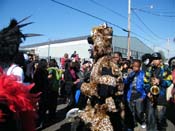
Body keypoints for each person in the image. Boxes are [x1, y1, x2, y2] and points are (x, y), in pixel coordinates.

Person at [144, 52, 172, 131]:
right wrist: (147, 92)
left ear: (160, 60)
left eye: (156, 59)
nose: (154, 61)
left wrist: (160, 81)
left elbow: (169, 81)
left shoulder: (166, 68)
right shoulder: (149, 69)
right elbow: (145, 82)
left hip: (161, 97)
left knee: (160, 117)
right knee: (150, 117)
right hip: (151, 97)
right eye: (153, 59)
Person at [124, 59, 146, 130]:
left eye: (136, 66)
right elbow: (125, 83)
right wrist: (129, 77)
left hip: (139, 95)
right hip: (130, 95)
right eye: (134, 66)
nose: (135, 68)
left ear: (139, 67)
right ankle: (134, 122)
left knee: (139, 111)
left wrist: (143, 96)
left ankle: (142, 121)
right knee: (131, 111)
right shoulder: (130, 73)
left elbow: (146, 85)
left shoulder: (143, 74)